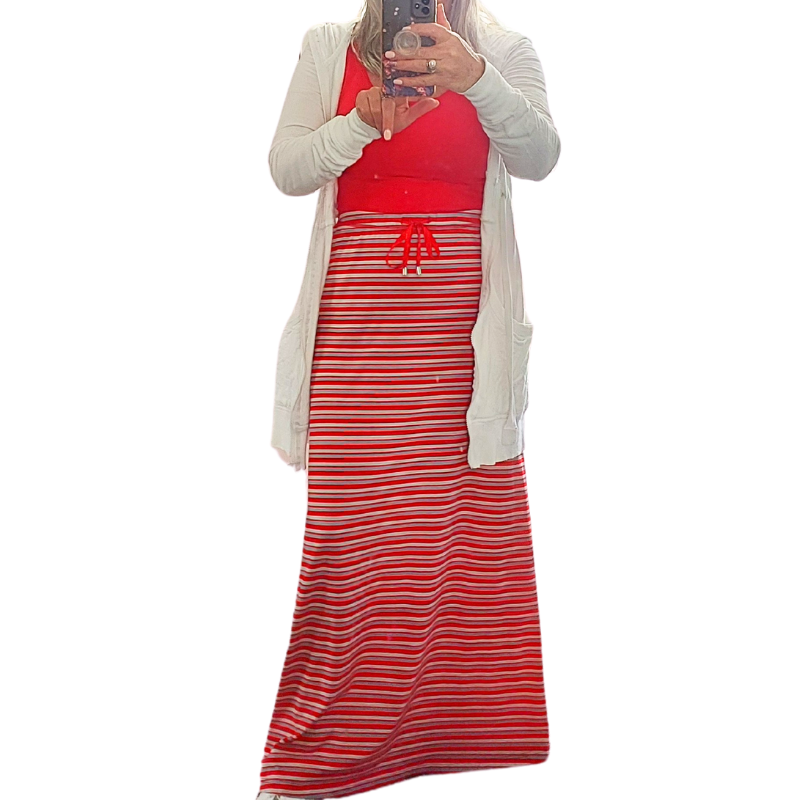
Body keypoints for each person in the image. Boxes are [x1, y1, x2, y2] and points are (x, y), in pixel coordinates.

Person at [257, 2, 560, 798]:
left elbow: (540, 155)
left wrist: (476, 78)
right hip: (356, 344)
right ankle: (321, 756)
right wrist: (360, 120)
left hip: (461, 353)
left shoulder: (504, 51)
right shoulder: (329, 48)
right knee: (351, 545)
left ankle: (457, 736)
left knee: (456, 542)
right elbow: (289, 168)